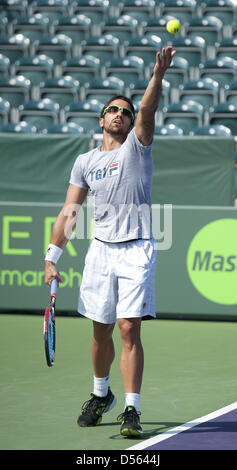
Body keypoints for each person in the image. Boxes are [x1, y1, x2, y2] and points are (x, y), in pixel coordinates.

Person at [44, 46, 176, 438]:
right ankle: (102, 395)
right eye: (113, 110)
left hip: (136, 248)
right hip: (100, 249)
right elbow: (70, 211)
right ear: (102, 119)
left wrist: (158, 75)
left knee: (126, 328)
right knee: (100, 329)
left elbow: (148, 110)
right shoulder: (85, 162)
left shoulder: (139, 147)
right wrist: (52, 257)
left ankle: (131, 409)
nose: (120, 114)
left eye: (126, 112)